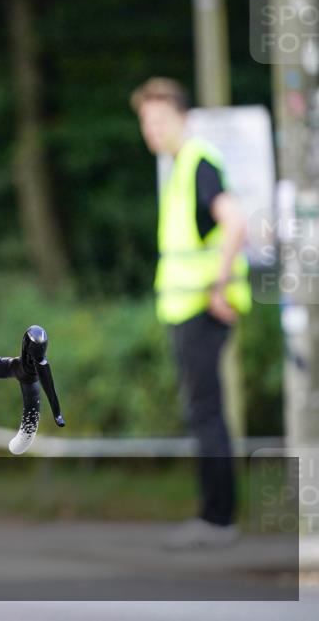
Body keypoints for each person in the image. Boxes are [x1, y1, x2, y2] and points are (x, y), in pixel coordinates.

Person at [130, 77, 252, 549]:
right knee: (204, 412)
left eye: (159, 120)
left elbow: (235, 221)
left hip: (202, 307)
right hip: (188, 309)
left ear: (183, 118)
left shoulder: (198, 162)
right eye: (145, 122)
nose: (151, 130)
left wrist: (219, 285)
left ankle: (218, 520)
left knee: (207, 414)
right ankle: (215, 517)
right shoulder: (181, 165)